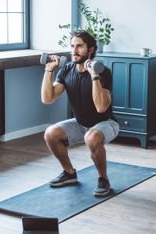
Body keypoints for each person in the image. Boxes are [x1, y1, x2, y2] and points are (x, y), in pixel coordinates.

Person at [41, 30, 119, 197]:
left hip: (106, 124)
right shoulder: (67, 70)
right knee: (50, 133)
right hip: (80, 123)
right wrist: (49, 71)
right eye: (72, 46)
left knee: (91, 137)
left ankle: (103, 179)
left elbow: (101, 108)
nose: (74, 51)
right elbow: (48, 98)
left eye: (79, 47)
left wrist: (94, 76)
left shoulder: (103, 72)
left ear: (90, 49)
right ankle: (69, 173)